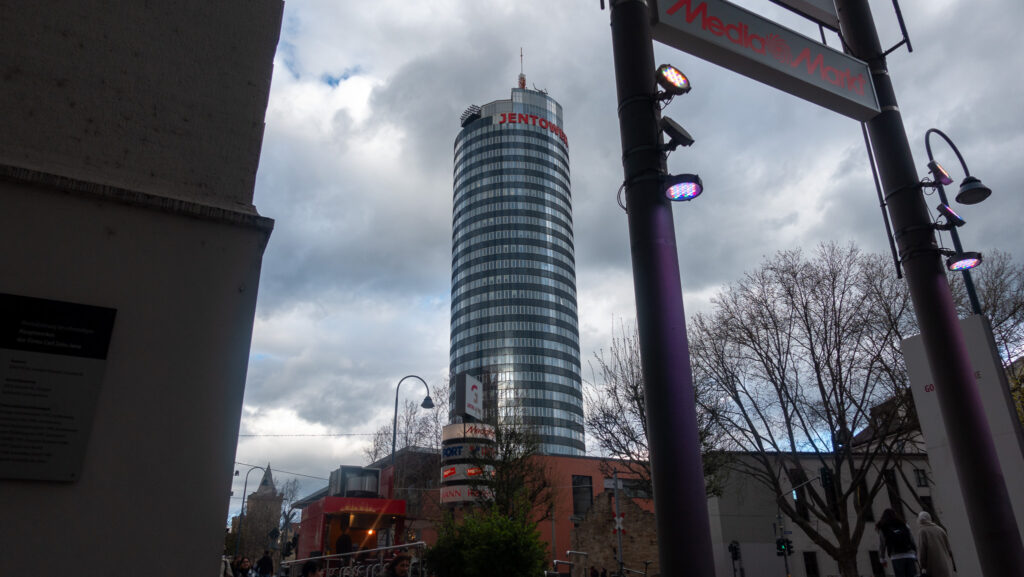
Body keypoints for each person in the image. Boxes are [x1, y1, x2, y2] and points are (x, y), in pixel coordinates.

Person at [878, 508, 918, 577]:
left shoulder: (883, 528)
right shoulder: (904, 525)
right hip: (909, 554)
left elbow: (882, 544)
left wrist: (882, 558)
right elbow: (912, 540)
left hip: (896, 556)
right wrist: (915, 554)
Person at [917, 511, 956, 576]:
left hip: (933, 567)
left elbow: (922, 550)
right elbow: (949, 549)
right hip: (946, 566)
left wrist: (923, 567)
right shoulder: (940, 529)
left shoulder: (922, 531)